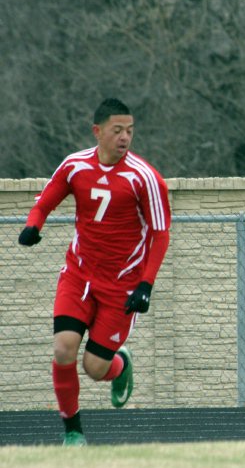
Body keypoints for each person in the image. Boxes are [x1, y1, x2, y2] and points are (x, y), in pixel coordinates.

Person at [17, 98, 171, 446]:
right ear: (97, 131)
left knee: (94, 368)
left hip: (122, 285)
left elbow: (160, 234)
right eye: (117, 130)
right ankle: (73, 432)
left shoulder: (146, 179)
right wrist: (33, 225)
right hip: (79, 275)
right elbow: (47, 198)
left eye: (130, 131)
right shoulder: (75, 165)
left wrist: (146, 284)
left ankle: (119, 366)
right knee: (63, 349)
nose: (125, 138)